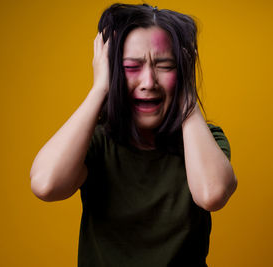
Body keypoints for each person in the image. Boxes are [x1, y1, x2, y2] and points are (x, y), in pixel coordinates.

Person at [30, 3, 237, 266]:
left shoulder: (206, 140)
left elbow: (212, 194)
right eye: (131, 66)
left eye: (166, 65)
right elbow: (46, 185)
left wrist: (188, 94)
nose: (148, 82)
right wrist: (100, 88)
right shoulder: (96, 143)